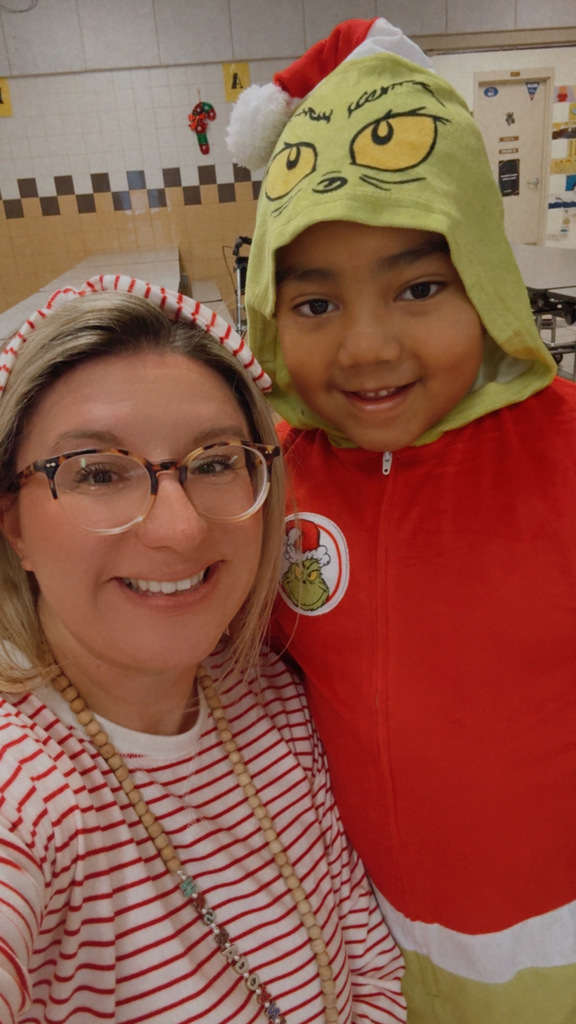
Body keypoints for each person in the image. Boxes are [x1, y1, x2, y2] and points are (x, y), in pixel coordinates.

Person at [226, 16, 576, 1024]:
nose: (368, 347)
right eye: (316, 304)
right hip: (364, 953)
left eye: (419, 287)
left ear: (486, 281)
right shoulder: (265, 484)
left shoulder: (562, 457)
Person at [0, 275, 406, 1024]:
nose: (180, 529)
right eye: (98, 473)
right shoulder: (26, 792)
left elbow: (370, 966)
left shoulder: (270, 696)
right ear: (14, 525)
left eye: (216, 462)